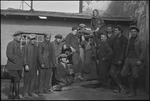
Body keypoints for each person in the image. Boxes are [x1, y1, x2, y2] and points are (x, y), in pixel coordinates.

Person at [121, 26, 146, 97]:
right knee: (123, 74)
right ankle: (127, 88)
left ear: (137, 32)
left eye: (134, 31)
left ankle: (133, 91)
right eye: (132, 32)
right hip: (128, 58)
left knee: (134, 76)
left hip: (135, 59)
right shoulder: (130, 39)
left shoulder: (141, 40)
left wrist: (140, 60)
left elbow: (143, 51)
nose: (133, 33)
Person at [109, 25, 128, 93]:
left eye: (116, 30)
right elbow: (111, 47)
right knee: (112, 73)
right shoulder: (115, 38)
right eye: (114, 30)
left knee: (118, 73)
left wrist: (121, 59)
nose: (115, 32)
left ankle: (121, 88)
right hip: (114, 58)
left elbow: (124, 50)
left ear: (120, 31)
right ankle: (120, 87)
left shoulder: (124, 39)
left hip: (120, 59)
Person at [6, 31, 24, 99]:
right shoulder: (11, 44)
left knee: (13, 81)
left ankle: (11, 95)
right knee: (16, 81)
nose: (20, 37)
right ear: (14, 36)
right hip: (13, 66)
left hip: (17, 67)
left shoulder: (18, 44)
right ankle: (16, 96)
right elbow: (9, 55)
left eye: (21, 36)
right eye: (19, 36)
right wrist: (19, 61)